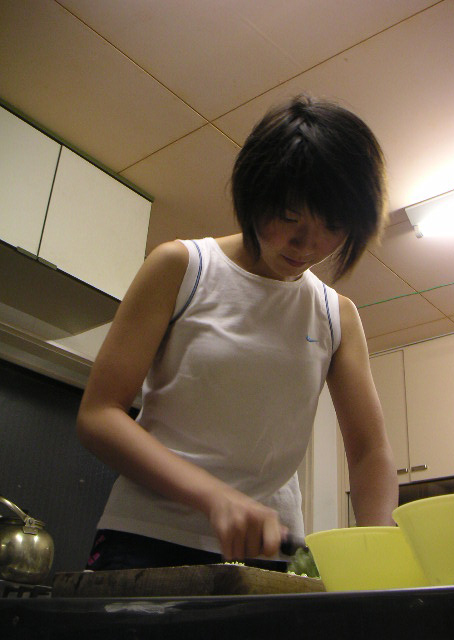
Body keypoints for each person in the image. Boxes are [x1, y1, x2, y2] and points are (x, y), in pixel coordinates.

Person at [77, 93, 398, 573]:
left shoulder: (336, 316)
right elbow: (99, 414)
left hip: (267, 552)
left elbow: (370, 452)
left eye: (331, 225)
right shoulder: (182, 267)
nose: (306, 244)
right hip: (148, 535)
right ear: (255, 194)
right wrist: (214, 497)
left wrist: (381, 557)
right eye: (289, 216)